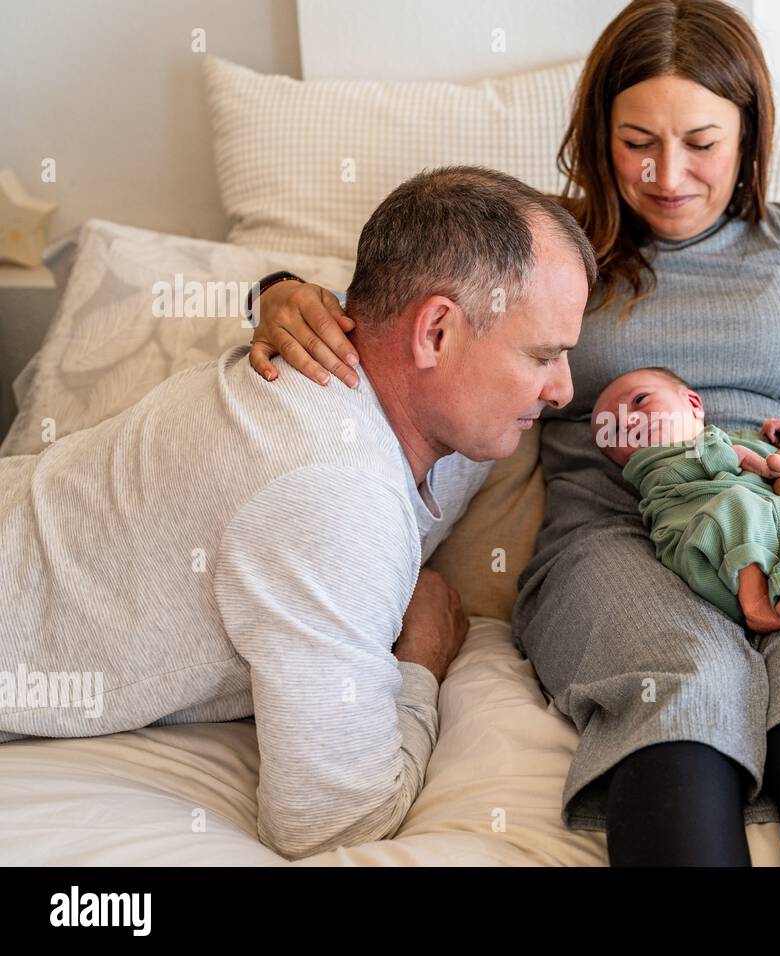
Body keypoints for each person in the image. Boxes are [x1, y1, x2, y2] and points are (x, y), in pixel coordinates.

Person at [246, 0, 780, 866]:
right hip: (619, 533)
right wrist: (278, 290)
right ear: (596, 131)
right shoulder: (549, 237)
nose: (667, 175)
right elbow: (410, 307)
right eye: (636, 142)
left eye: (701, 143)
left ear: (751, 132)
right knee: (682, 689)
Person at [0, 165, 596, 861]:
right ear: (434, 332)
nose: (563, 389)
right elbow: (334, 822)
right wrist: (421, 661)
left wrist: (275, 288)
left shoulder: (381, 360)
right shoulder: (334, 495)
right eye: (543, 356)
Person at [591, 365, 780, 632]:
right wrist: (745, 457)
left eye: (640, 400)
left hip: (773, 538)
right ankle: (759, 607)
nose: (628, 422)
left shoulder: (732, 440)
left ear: (693, 403)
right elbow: (712, 461)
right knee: (735, 502)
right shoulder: (652, 467)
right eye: (614, 430)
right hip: (711, 552)